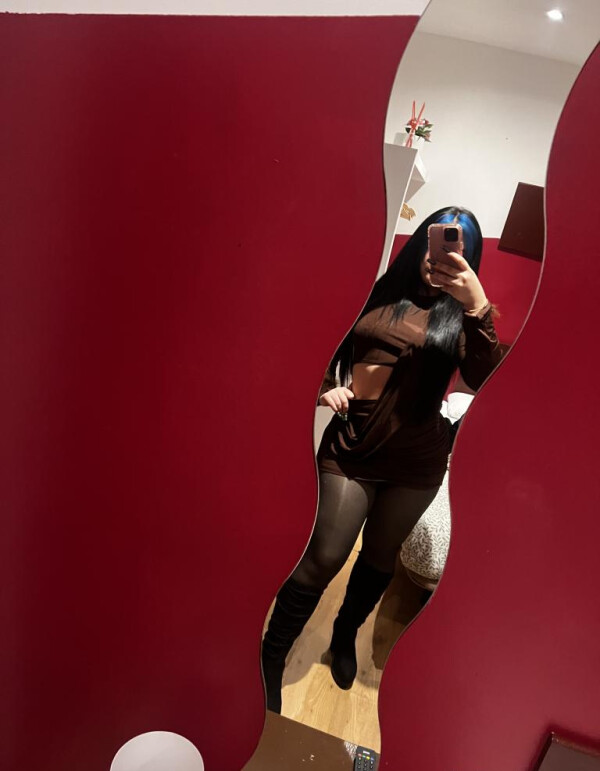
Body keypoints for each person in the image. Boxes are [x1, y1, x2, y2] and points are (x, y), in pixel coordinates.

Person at [261, 206, 503, 713]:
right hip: (352, 448)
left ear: (470, 259)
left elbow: (486, 381)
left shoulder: (464, 317)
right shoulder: (375, 293)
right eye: (437, 246)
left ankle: (344, 635)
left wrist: (477, 304)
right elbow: (316, 341)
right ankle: (272, 655)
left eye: (457, 252)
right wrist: (324, 387)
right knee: (324, 556)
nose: (441, 259)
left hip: (416, 462)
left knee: (378, 557)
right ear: (420, 243)